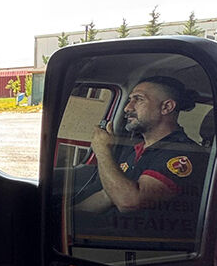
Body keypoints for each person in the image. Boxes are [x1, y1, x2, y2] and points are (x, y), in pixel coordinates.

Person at [72, 75, 209, 247]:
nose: (127, 108)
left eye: (138, 99)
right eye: (129, 100)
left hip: (139, 246)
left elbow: (129, 201)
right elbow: (109, 194)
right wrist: (67, 216)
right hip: (111, 233)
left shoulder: (182, 154)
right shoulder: (136, 148)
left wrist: (102, 150)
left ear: (166, 107)